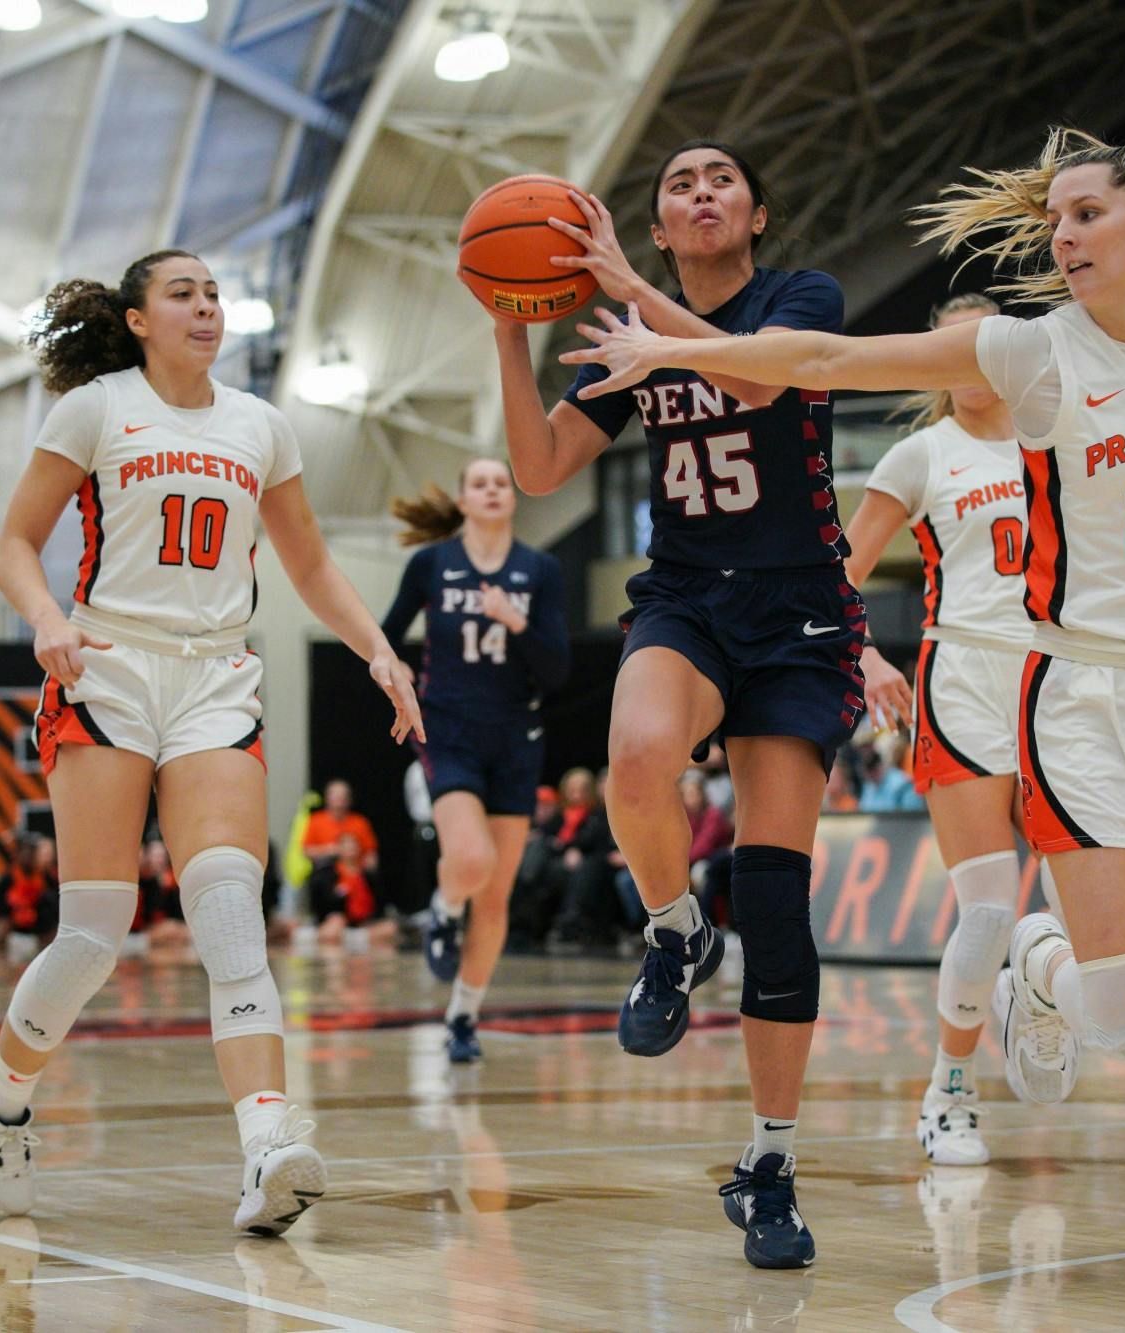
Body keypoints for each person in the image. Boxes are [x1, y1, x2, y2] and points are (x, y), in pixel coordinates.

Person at [563, 126, 1125, 1291]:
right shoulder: (1028, 349)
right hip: (1079, 694)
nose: (1062, 235)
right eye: (1056, 219)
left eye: (1085, 215)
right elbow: (824, 358)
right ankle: (1036, 969)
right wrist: (645, 315)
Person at [0, 248, 422, 1238]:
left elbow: (306, 560)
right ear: (136, 319)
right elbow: (12, 545)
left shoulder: (260, 424)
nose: (206, 308)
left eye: (214, 295)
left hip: (216, 674)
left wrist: (379, 650)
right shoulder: (96, 408)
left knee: (227, 913)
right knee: (93, 933)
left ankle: (267, 1151)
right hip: (108, 665)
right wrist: (45, 617)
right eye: (184, 294)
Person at [497, 139, 859, 1268]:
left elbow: (755, 377)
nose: (699, 193)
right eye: (677, 186)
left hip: (800, 612)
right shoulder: (628, 335)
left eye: (719, 180)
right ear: (656, 225)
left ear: (753, 213)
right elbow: (543, 465)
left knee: (778, 901)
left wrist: (632, 299)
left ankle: (769, 1164)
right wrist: (504, 324)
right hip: (691, 598)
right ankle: (673, 929)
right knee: (639, 758)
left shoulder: (802, 298)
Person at [841, 291, 1038, 1168]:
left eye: (978, 339)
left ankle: (1033, 995)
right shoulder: (921, 454)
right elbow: (837, 569)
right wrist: (866, 656)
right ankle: (948, 1090)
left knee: (1075, 917)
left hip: (1064, 679)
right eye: (944, 341)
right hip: (961, 680)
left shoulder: (1059, 436)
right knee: (989, 909)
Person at [382, 458, 568, 1063]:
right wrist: (395, 672)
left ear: (512, 499)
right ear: (463, 500)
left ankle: (463, 1014)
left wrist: (517, 622)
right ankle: (442, 909)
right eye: (479, 483)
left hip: (517, 734)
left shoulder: (539, 571)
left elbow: (558, 670)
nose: (491, 490)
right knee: (469, 859)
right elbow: (385, 636)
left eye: (500, 483)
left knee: (497, 897)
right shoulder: (432, 564)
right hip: (450, 727)